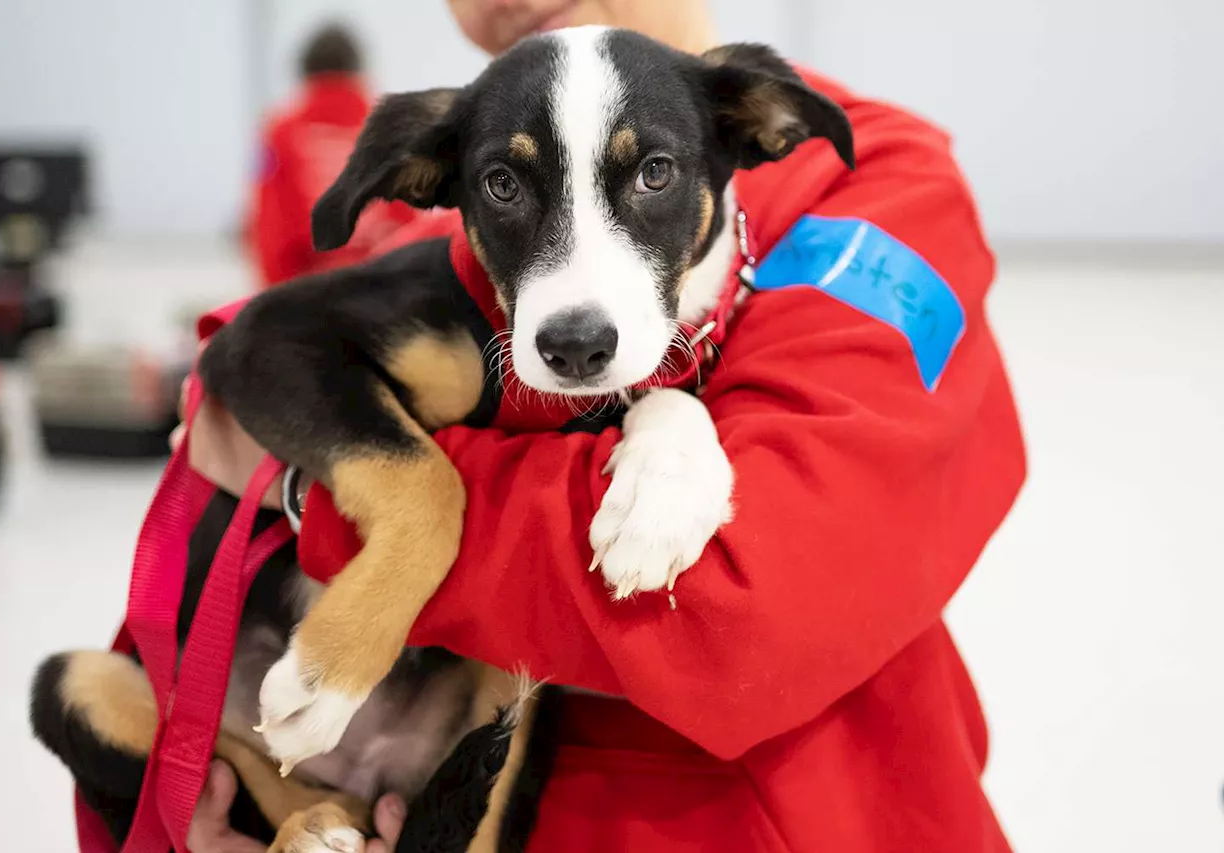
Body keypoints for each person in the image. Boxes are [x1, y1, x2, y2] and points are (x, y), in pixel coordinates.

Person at [184, 0, 1027, 850]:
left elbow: (750, 608)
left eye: (654, 175)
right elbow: (207, 614)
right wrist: (205, 796)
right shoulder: (455, 200)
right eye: (506, 188)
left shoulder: (875, 184)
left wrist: (312, 493)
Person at [246, 23, 418, 288]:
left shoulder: (281, 131)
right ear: (358, 71)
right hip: (386, 286)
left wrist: (278, 299)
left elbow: (270, 227)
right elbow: (409, 216)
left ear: (305, 74)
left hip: (310, 292)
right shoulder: (391, 125)